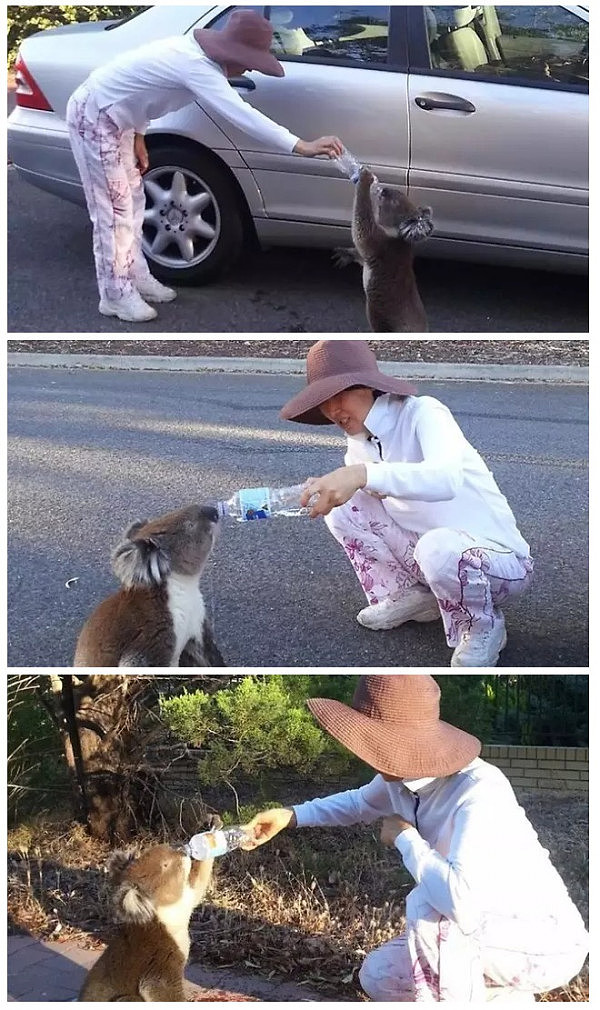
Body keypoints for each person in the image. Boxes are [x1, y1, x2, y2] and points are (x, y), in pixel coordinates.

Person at [244, 675, 588, 1003]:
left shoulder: (480, 791)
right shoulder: (399, 778)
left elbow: (460, 904)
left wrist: (406, 838)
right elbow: (359, 802)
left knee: (430, 912)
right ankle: (504, 997)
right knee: (378, 976)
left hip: (545, 944)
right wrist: (290, 815)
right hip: (479, 935)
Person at [66, 9, 343, 322]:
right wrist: (299, 145)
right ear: (232, 53)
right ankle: (115, 295)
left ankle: (136, 276)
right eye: (250, 62)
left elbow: (142, 91)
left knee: (133, 201)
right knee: (113, 212)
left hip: (120, 119)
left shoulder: (192, 55)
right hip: (96, 116)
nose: (250, 70)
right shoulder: (196, 65)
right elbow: (240, 114)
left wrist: (138, 134)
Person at [280, 340, 534, 667]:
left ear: (368, 388)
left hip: (499, 563)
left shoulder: (423, 412)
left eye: (338, 396)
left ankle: (484, 625)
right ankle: (420, 595)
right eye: (323, 404)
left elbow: (445, 478)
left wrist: (364, 474)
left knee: (438, 549)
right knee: (344, 506)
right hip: (431, 556)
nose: (332, 412)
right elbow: (365, 487)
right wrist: (328, 488)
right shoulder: (359, 443)